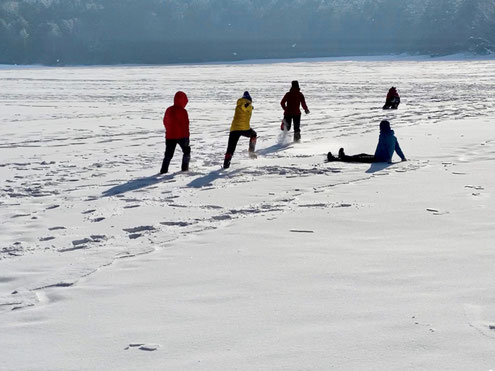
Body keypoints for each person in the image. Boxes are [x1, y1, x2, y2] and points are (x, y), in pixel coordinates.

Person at [327, 120, 407, 163]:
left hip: (379, 159)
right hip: (380, 158)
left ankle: (335, 159)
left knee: (358, 158)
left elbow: (384, 147)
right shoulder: (393, 137)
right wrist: (403, 158)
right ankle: (343, 156)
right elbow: (397, 148)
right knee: (362, 154)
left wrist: (388, 159)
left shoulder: (383, 135)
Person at [223, 91, 257, 169]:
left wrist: (250, 107)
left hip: (234, 129)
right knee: (253, 134)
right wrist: (250, 106)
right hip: (244, 128)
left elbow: (243, 107)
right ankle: (251, 152)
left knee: (230, 148)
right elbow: (245, 107)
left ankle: (225, 165)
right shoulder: (247, 104)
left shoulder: (238, 104)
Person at [160, 91, 191, 174]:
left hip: (170, 136)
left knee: (168, 155)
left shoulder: (169, 109)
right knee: (186, 151)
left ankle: (163, 170)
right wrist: (187, 137)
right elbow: (185, 125)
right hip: (181, 136)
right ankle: (185, 169)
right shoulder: (183, 111)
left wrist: (169, 130)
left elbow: (165, 121)